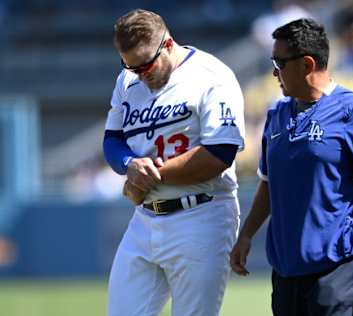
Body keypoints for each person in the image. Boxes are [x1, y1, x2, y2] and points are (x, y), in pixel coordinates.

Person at [230, 18, 353, 316]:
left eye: (279, 62)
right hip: (285, 266)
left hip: (339, 264)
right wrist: (246, 235)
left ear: (307, 64)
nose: (274, 71)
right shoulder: (276, 115)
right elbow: (269, 184)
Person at [102, 9, 245, 316]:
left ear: (167, 45)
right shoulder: (128, 79)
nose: (141, 74)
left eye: (146, 64)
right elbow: (112, 139)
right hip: (145, 218)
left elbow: (220, 153)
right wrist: (130, 163)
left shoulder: (211, 75)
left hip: (201, 215)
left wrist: (150, 176)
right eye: (131, 66)